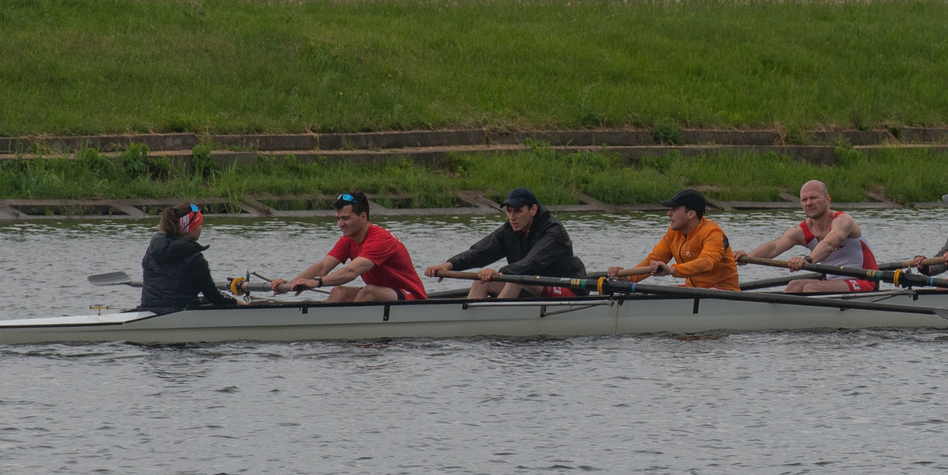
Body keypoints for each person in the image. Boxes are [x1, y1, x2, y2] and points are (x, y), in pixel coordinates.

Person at [429, 187, 585, 300]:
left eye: (517, 211)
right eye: (509, 211)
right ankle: (470, 328)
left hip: (566, 287)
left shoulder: (553, 232)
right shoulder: (509, 231)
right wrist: (449, 265)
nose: (512, 217)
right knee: (480, 282)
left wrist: (501, 273)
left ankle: (496, 322)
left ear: (533, 210)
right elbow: (480, 251)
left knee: (514, 279)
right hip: (528, 283)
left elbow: (532, 262)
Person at [272, 192, 427, 302]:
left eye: (345, 218)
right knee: (338, 292)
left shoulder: (380, 239)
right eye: (338, 219)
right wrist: (289, 284)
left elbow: (351, 272)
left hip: (411, 296)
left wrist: (316, 282)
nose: (340, 224)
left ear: (363, 217)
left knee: (368, 292)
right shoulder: (348, 239)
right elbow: (322, 267)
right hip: (383, 294)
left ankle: (347, 333)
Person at [735, 179, 880, 293]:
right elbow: (774, 247)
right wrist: (747, 257)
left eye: (813, 198)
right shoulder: (801, 231)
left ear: (827, 200)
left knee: (811, 288)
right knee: (794, 285)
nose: (808, 203)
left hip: (865, 280)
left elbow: (828, 244)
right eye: (804, 200)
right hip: (833, 283)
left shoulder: (843, 221)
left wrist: (806, 260)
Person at [618, 189, 739, 292]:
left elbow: (706, 262)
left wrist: (673, 270)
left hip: (723, 291)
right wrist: (629, 277)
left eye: (674, 209)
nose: (668, 213)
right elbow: (654, 259)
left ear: (691, 214)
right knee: (652, 295)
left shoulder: (712, 233)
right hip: (695, 290)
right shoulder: (674, 233)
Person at [140, 202, 246, 311]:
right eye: (199, 224)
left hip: (148, 307)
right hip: (178, 312)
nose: (201, 229)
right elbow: (214, 296)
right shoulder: (195, 259)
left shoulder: (152, 250)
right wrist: (237, 303)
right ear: (190, 228)